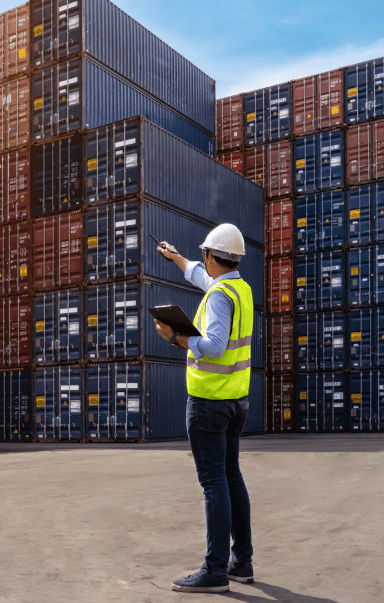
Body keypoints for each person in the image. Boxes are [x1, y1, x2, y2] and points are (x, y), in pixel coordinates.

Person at [154, 223, 254, 594]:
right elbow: (202, 278)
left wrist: (176, 337)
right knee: (231, 477)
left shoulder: (218, 297)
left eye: (204, 255)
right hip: (235, 400)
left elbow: (212, 345)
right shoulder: (238, 288)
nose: (203, 261)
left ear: (212, 255)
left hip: (209, 401)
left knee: (214, 483)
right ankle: (241, 562)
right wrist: (176, 256)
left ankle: (215, 570)